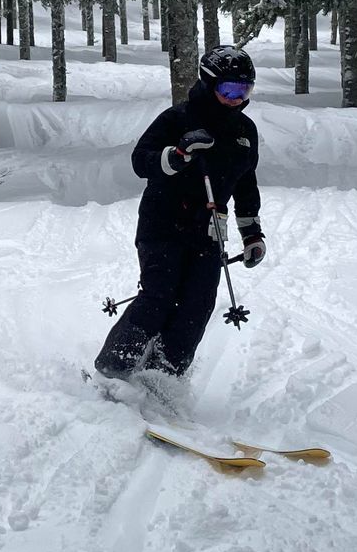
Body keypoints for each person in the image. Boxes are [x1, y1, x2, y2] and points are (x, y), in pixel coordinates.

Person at [95, 44, 267, 380]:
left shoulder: (245, 132)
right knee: (159, 297)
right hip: (163, 224)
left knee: (197, 307)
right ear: (208, 83)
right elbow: (140, 161)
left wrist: (252, 234)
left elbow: (246, 184)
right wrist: (177, 154)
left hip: (208, 233)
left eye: (243, 90)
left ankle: (162, 378)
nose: (236, 98)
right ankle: (113, 370)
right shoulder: (176, 119)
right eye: (228, 90)